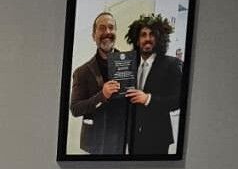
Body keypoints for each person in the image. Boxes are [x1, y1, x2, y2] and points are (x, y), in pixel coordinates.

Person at [68, 11, 128, 156]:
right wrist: (102, 96)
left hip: (122, 141)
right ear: (93, 35)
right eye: (102, 28)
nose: (107, 32)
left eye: (111, 27)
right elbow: (75, 109)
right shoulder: (82, 72)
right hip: (95, 144)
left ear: (116, 32)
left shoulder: (130, 65)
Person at [123, 15, 183, 157]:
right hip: (132, 136)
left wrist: (148, 99)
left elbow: (179, 100)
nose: (147, 38)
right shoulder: (129, 66)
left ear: (159, 39)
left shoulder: (172, 64)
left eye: (152, 35)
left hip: (157, 137)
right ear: (137, 40)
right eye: (143, 35)